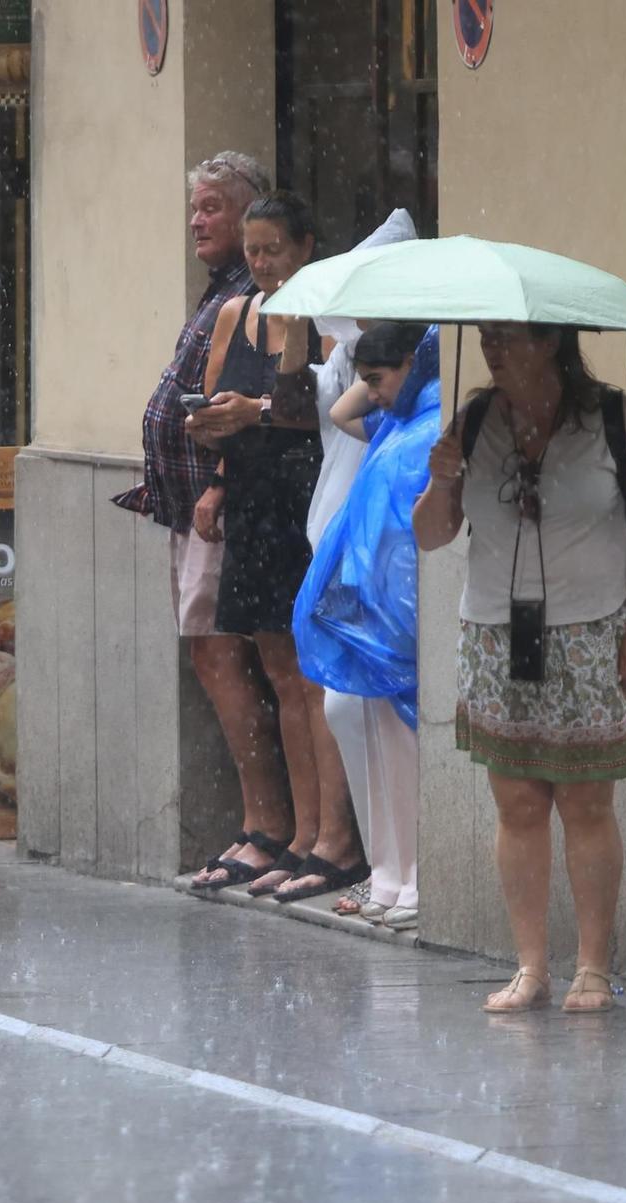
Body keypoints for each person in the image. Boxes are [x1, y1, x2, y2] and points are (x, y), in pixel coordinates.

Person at [412, 323, 626, 1012]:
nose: (494, 349)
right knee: (518, 801)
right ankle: (530, 966)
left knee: (586, 799)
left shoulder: (613, 418)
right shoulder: (473, 423)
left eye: (510, 337)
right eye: (488, 338)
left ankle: (592, 965)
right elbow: (431, 535)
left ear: (551, 342)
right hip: (499, 632)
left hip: (593, 631)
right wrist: (441, 483)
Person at [108, 152, 294, 890]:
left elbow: (248, 401)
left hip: (226, 504)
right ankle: (263, 823)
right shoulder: (224, 289)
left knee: (229, 657)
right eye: (196, 207)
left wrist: (217, 478)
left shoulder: (256, 294)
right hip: (196, 506)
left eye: (213, 206)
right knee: (217, 657)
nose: (198, 219)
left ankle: (269, 826)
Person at [190, 191, 367, 903]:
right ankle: (294, 831)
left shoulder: (328, 318)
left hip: (307, 498)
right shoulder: (236, 314)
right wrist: (216, 473)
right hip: (256, 502)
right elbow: (214, 405)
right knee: (276, 671)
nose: (263, 264)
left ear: (306, 247)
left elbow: (325, 406)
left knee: (312, 677)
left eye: (275, 251)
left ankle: (334, 835)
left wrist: (257, 411)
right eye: (255, 251)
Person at [297, 321, 440, 930]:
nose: (373, 393)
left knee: (401, 749)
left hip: (399, 616)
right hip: (380, 615)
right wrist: (383, 369)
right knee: (375, 735)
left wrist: (419, 356)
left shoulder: (429, 422)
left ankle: (413, 878)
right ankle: (391, 873)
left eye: (380, 380)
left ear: (414, 362)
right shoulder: (403, 417)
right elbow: (342, 408)